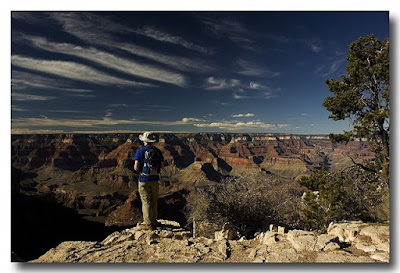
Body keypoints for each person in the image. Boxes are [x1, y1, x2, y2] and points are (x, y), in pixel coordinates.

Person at [134, 132, 164, 230]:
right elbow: (162, 166)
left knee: (146, 201)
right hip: (155, 179)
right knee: (154, 200)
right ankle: (154, 220)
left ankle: (148, 224)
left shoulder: (140, 151)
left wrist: (140, 171)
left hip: (144, 179)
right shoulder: (158, 151)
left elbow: (136, 167)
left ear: (144, 141)